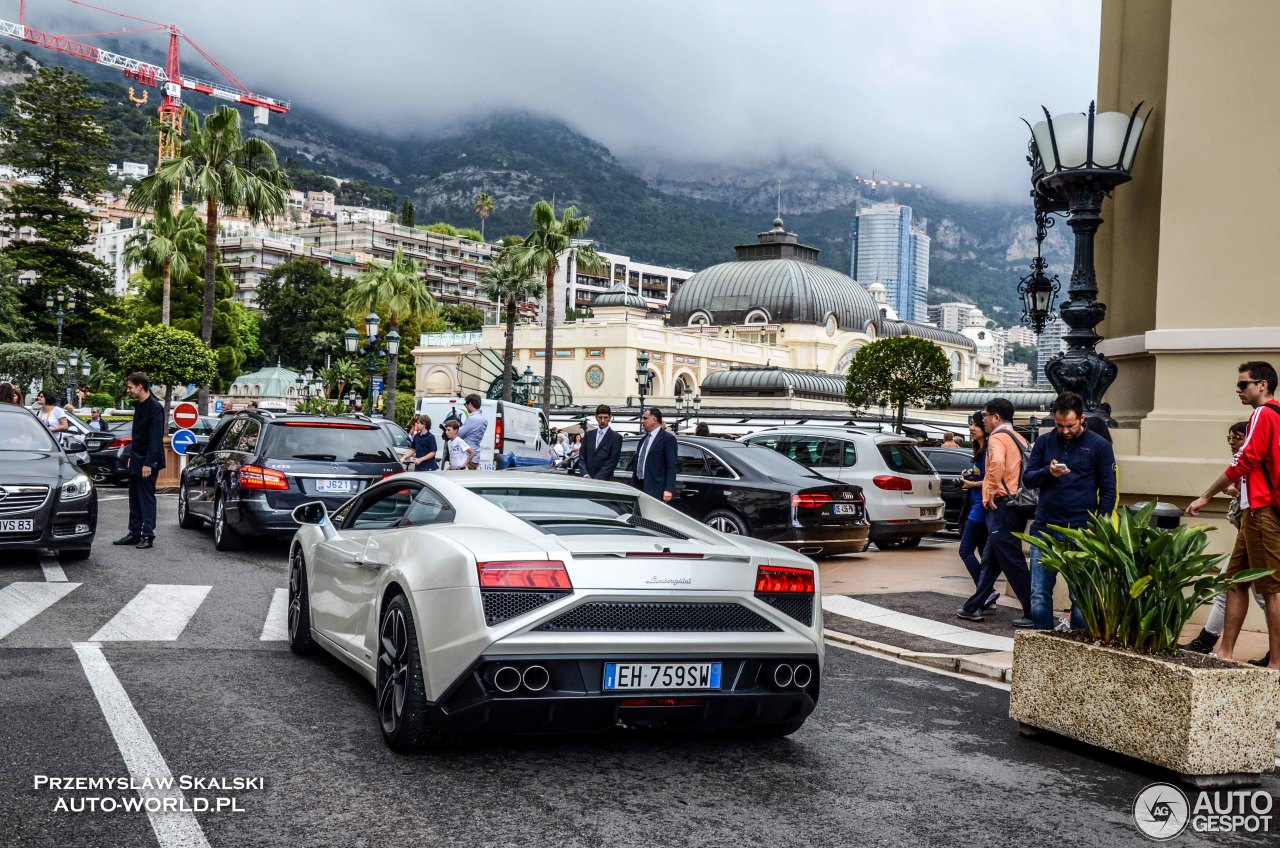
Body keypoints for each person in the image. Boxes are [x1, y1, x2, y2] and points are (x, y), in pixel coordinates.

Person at [1188, 361, 1280, 670]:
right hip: (1255, 511)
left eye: (1243, 384)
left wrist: (1206, 495)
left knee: (1272, 589)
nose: (1238, 390)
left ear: (1263, 385)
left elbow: (1246, 460)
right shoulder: (1276, 414)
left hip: (1260, 510)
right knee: (1235, 581)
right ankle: (1224, 651)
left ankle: (1277, 664)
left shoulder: (1263, 414)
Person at [1022, 392, 1118, 631]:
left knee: (1081, 595)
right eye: (1059, 425)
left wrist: (1098, 527)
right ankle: (1043, 642)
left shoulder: (1099, 446)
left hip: (1081, 529)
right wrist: (1048, 472)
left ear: (1082, 418)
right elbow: (1028, 479)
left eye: (1070, 425)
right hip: (1045, 527)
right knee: (1039, 592)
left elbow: (1108, 491)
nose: (1064, 430)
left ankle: (1076, 645)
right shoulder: (1045, 442)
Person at [1182, 421, 1269, 656]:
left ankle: (1275, 653)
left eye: (1237, 437)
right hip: (1248, 534)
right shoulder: (1247, 457)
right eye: (1229, 438)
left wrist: (1209, 496)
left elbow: (1260, 492)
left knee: (1265, 594)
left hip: (1258, 532)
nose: (1232, 443)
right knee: (1229, 585)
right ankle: (1210, 642)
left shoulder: (1253, 456)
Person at [956, 398, 1034, 627]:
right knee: (992, 558)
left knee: (1012, 560)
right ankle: (974, 606)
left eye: (987, 416)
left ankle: (1033, 611)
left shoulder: (998, 438)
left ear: (996, 418)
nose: (984, 420)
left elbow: (997, 462)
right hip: (1017, 506)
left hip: (1002, 505)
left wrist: (989, 491)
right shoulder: (1020, 438)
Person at [114, 372, 165, 550]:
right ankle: (134, 533)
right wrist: (132, 458)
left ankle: (147, 535)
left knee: (146, 498)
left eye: (130, 387)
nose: (128, 390)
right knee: (134, 497)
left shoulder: (155, 407)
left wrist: (149, 463)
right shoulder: (139, 406)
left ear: (140, 386)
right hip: (137, 459)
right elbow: (137, 436)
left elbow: (155, 438)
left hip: (148, 461)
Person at [957, 411, 999, 608]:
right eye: (970, 424)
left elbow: (993, 481)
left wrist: (971, 484)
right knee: (983, 553)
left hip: (980, 508)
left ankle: (986, 592)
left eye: (975, 424)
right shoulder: (980, 450)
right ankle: (986, 594)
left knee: (965, 550)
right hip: (976, 505)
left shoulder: (990, 451)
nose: (971, 428)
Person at [631, 407, 677, 502]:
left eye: (645, 418)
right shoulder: (643, 440)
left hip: (656, 489)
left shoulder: (667, 439)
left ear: (654, 419)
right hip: (639, 486)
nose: (642, 421)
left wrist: (668, 489)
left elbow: (671, 466)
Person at [579, 404, 622, 481]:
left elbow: (612, 462)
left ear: (610, 418)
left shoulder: (616, 437)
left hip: (604, 481)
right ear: (596, 417)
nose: (602, 420)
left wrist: (597, 479)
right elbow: (582, 457)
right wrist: (585, 475)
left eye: (605, 418)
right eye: (600, 417)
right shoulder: (588, 435)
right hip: (586, 480)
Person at [457, 393, 487, 470]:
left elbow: (459, 434)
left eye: (465, 404)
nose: (466, 407)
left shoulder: (472, 418)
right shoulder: (483, 419)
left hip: (468, 456)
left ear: (470, 404)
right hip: (475, 454)